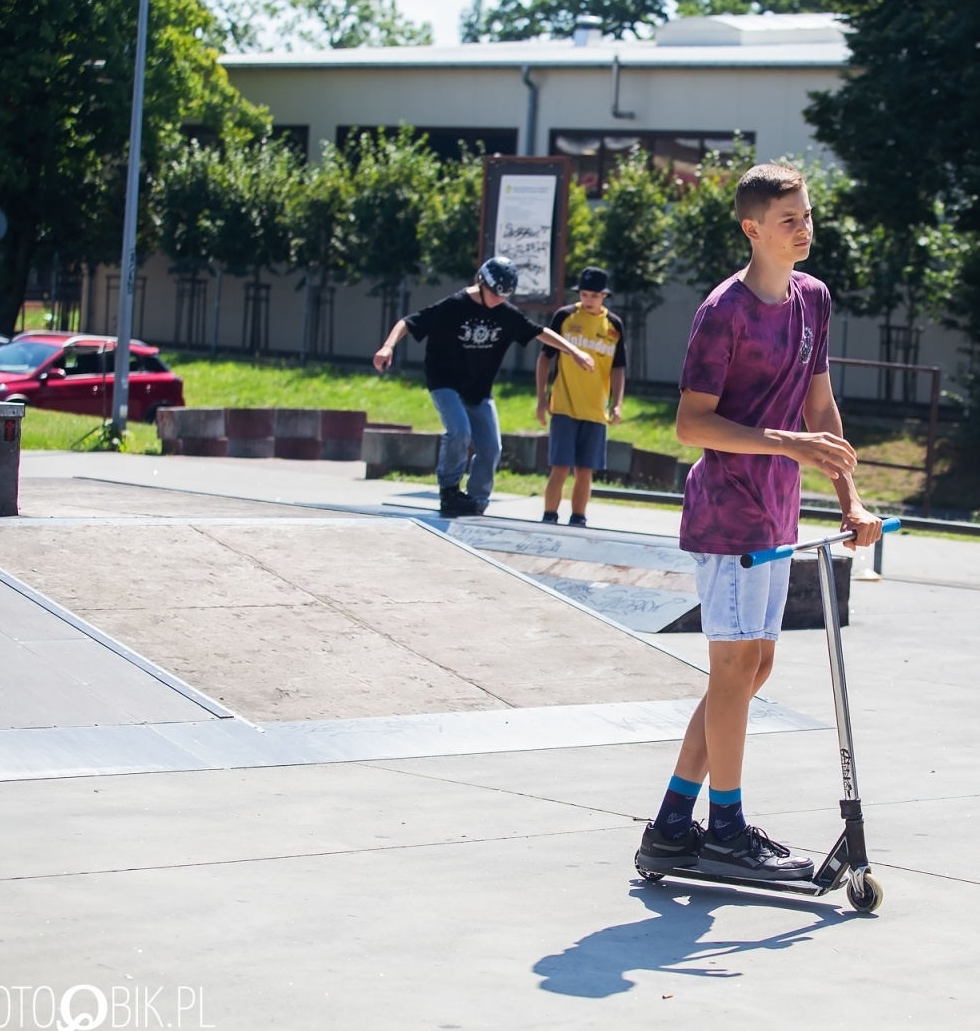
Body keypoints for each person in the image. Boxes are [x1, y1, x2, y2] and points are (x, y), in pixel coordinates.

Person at [634, 162, 883, 882]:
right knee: (736, 668)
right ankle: (726, 830)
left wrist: (850, 498)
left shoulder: (813, 299)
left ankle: (675, 824)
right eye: (788, 221)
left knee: (751, 669)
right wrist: (786, 443)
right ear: (752, 229)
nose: (804, 230)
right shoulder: (724, 313)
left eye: (806, 215)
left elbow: (821, 409)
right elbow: (691, 424)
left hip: (777, 510)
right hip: (727, 512)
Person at [373, 256, 595, 517]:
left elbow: (539, 332)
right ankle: (449, 491)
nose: (498, 301)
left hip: (478, 388)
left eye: (504, 297)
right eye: (494, 295)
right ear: (481, 284)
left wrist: (574, 351)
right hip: (444, 382)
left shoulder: (506, 313)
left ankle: (476, 501)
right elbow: (408, 322)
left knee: (491, 447)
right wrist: (388, 346)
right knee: (459, 432)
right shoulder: (455, 305)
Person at [535, 266, 627, 527]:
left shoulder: (614, 325)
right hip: (564, 405)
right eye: (584, 294)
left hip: (596, 409)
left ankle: (578, 518)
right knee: (560, 467)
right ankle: (549, 516)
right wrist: (542, 399)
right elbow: (545, 358)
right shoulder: (564, 317)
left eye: (594, 296)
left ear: (604, 296)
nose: (588, 300)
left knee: (586, 470)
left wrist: (617, 403)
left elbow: (619, 367)